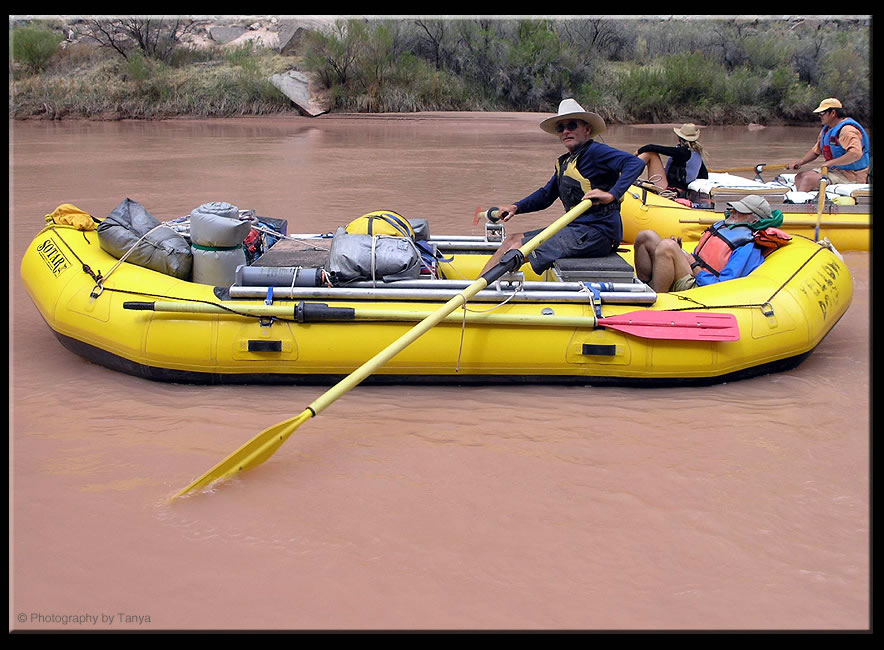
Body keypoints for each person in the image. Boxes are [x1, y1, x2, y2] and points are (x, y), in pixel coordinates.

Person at [479, 98, 645, 276]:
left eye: (572, 126)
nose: (566, 131)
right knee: (511, 240)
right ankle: (475, 291)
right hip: (576, 229)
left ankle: (478, 295)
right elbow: (546, 195)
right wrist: (516, 207)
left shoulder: (596, 152)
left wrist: (611, 194)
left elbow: (634, 163)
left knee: (520, 247)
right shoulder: (565, 161)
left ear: (587, 130)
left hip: (598, 234)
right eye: (561, 128)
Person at [634, 194, 781, 293]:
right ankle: (643, 288)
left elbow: (722, 286)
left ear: (754, 220)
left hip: (701, 288)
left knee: (667, 246)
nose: (733, 211)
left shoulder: (748, 247)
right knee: (646, 236)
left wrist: (693, 265)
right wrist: (681, 254)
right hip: (692, 273)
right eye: (735, 207)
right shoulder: (724, 227)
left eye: (741, 211)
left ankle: (653, 301)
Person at [788, 98, 870, 191]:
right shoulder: (827, 129)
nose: (819, 116)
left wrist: (830, 163)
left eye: (822, 113)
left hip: (851, 175)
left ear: (833, 113)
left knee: (808, 180)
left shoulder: (847, 130)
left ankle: (798, 203)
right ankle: (801, 198)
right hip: (836, 171)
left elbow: (855, 154)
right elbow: (816, 151)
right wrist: (800, 162)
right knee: (800, 176)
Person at [635, 123, 708, 194]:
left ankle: (628, 175)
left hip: (669, 188)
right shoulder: (697, 153)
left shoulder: (682, 152)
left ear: (679, 138)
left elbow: (651, 147)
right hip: (681, 189)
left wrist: (636, 153)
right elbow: (704, 175)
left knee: (650, 154)